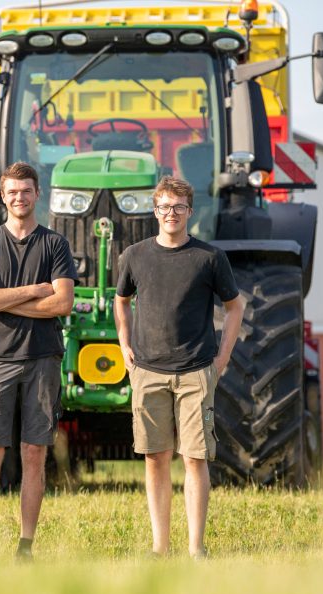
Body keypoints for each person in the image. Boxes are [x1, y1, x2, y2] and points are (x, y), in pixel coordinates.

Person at [113, 176, 244, 560]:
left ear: (190, 211)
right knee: (155, 457)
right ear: (155, 211)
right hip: (148, 370)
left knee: (194, 457)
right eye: (164, 207)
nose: (171, 214)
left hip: (195, 371)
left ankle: (195, 547)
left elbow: (235, 308)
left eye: (179, 207)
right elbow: (121, 301)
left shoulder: (209, 258)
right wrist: (124, 344)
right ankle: (159, 547)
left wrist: (222, 358)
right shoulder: (135, 256)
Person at [0, 162, 77, 563]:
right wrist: (32, 293)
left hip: (43, 360)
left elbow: (62, 303)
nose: (19, 198)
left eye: (26, 191)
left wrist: (5, 300)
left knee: (34, 453)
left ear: (36, 194)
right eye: (12, 191)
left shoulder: (54, 245)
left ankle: (25, 547)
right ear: (2, 195)